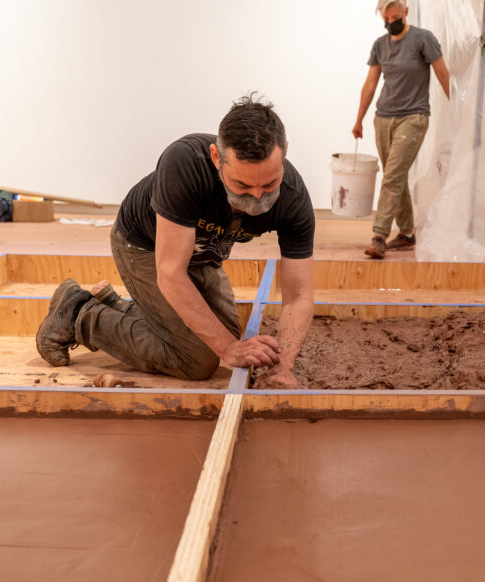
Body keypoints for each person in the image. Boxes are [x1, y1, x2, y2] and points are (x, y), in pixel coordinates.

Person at [35, 95, 315, 387]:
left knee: (226, 331)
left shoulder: (294, 197)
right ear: (217, 158)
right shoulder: (183, 162)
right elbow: (170, 274)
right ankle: (80, 314)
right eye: (242, 185)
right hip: (145, 243)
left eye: (269, 184)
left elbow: (298, 296)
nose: (257, 197)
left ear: (284, 155)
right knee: (198, 358)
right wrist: (229, 348)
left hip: (202, 251)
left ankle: (115, 306)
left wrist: (283, 366)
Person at [353, 0, 450, 259]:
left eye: (395, 17)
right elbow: (371, 84)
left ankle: (379, 235)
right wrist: (359, 118)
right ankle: (407, 234)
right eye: (386, 19)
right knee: (395, 176)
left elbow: (442, 74)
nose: (390, 23)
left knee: (393, 176)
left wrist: (458, 108)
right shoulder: (380, 45)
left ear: (405, 13)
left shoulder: (423, 39)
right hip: (383, 119)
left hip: (414, 117)